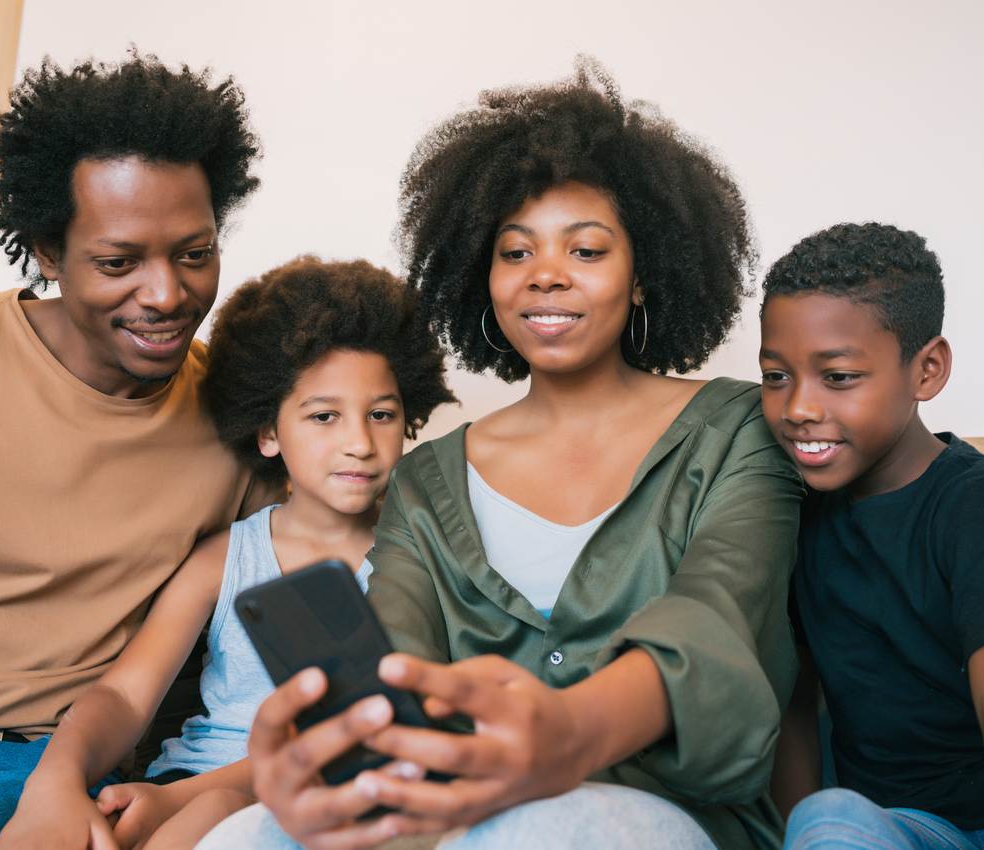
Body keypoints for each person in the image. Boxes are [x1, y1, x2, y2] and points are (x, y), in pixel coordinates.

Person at [202, 59, 804, 850]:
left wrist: (566, 731)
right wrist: (332, 760)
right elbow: (395, 660)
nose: (546, 276)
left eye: (586, 251)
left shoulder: (738, 431)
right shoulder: (425, 479)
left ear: (644, 274)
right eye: (515, 253)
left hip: (668, 812)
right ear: (479, 278)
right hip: (456, 808)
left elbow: (716, 622)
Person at [0, 53, 266, 849]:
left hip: (34, 771)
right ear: (48, 250)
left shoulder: (244, 415)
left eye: (194, 252)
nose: (166, 294)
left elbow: (304, 648)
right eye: (119, 262)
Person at [0, 257, 455, 850]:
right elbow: (126, 694)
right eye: (323, 416)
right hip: (184, 784)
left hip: (303, 793)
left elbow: (368, 735)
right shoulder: (226, 557)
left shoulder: (420, 560)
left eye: (382, 415)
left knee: (218, 806)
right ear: (268, 433)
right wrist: (57, 779)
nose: (360, 443)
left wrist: (179, 802)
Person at [758, 223, 984, 849]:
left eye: (840, 376)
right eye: (776, 376)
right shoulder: (789, 516)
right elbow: (791, 712)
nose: (797, 406)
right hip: (920, 824)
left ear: (926, 370)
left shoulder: (983, 503)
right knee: (828, 823)